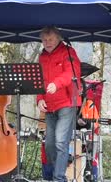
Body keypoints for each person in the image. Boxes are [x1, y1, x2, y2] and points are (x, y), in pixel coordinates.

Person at [37, 26, 82, 182]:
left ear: (58, 38)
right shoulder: (42, 57)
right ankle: (58, 171)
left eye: (50, 39)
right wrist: (39, 98)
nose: (47, 43)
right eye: (44, 40)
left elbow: (72, 73)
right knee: (49, 144)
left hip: (67, 103)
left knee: (61, 142)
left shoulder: (68, 52)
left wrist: (56, 84)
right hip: (49, 106)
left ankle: (58, 178)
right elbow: (39, 80)